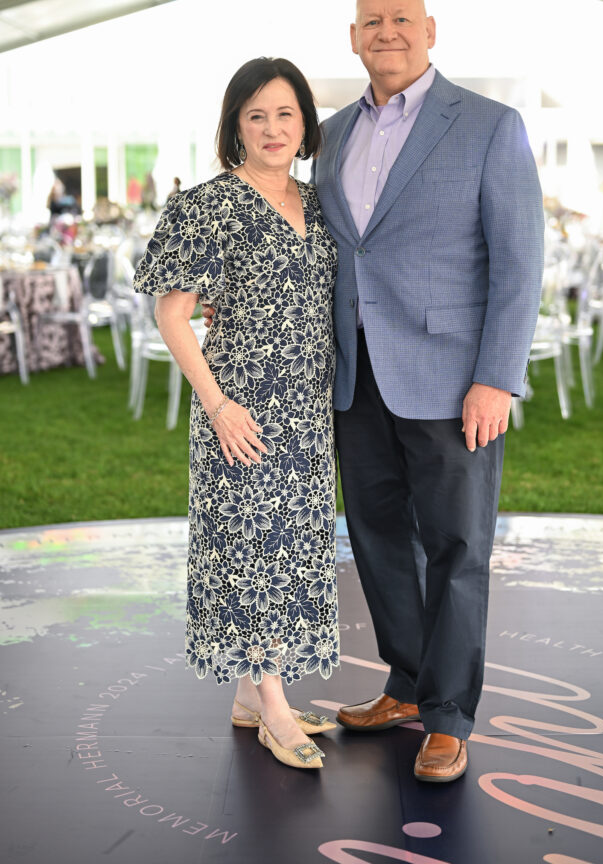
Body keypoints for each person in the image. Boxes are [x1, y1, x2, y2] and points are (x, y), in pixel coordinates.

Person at [312, 0, 544, 782]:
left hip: (453, 383)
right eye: (370, 21)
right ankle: (407, 686)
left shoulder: (488, 126)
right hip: (358, 379)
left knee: (455, 546)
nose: (386, 32)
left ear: (430, 29)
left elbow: (519, 265)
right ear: (352, 38)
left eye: (400, 19)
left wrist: (496, 379)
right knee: (377, 542)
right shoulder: (331, 134)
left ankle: (448, 715)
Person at [133, 57, 339, 771]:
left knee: (293, 549)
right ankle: (275, 708)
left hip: (308, 413)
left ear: (304, 123)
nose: (273, 129)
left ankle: (252, 697)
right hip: (241, 410)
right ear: (235, 127)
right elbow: (172, 313)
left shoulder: (318, 204)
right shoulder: (207, 204)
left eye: (285, 114)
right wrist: (216, 404)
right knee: (251, 552)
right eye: (256, 115)